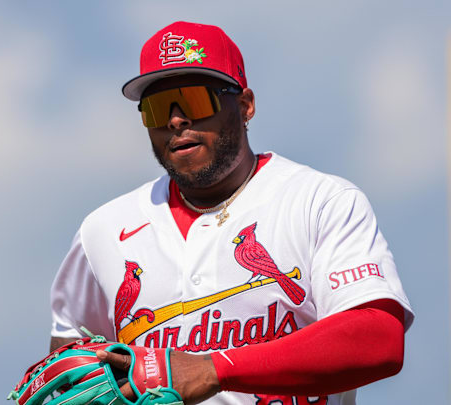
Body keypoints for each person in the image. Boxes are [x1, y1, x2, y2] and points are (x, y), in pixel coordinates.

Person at [48, 21, 414, 404]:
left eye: (194, 100)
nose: (176, 120)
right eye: (157, 108)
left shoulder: (318, 200)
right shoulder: (104, 231)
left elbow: (379, 339)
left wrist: (213, 369)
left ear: (244, 106)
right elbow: (67, 370)